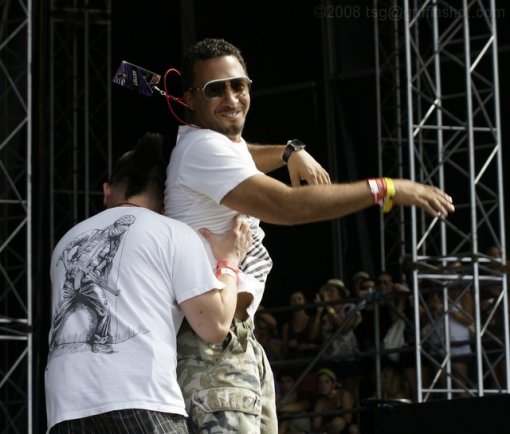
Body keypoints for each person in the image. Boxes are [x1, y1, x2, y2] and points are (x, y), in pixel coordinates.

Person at [164, 38, 455, 433]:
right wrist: (385, 188)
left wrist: (290, 151)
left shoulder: (212, 146)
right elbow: (289, 206)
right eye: (215, 89)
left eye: (239, 85)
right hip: (210, 349)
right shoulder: (202, 150)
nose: (231, 98)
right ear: (190, 99)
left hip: (231, 341)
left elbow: (242, 154)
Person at [45, 132, 253, 433]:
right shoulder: (173, 233)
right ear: (165, 200)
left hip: (64, 408)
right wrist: (229, 263)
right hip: (142, 398)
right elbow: (215, 325)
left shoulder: (66, 240)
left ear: (107, 191)